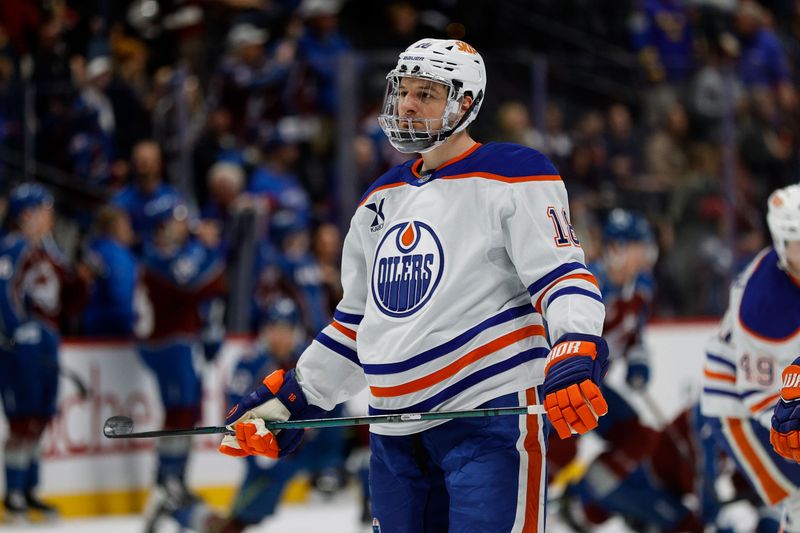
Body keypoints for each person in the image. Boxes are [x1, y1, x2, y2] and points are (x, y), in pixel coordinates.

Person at [218, 38, 608, 533]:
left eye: (427, 93)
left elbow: (563, 276)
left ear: (465, 103)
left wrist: (575, 343)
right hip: (392, 435)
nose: (406, 103)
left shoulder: (515, 174)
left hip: (487, 422)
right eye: (403, 90)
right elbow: (357, 324)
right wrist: (298, 396)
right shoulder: (378, 199)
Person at [701, 184, 800, 532]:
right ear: (780, 243)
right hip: (740, 407)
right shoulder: (763, 305)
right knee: (799, 498)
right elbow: (763, 398)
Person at [135, 193, 227, 532]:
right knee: (178, 412)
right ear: (161, 225)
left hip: (182, 341)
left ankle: (176, 480)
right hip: (167, 343)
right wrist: (208, 249)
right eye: (176, 220)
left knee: (188, 412)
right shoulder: (158, 256)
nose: (183, 226)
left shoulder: (174, 255)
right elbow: (190, 282)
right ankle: (166, 480)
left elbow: (209, 286)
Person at [0, 183, 89, 522]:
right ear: (27, 214)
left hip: (48, 340)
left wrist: (81, 280)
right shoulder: (13, 247)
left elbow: (68, 299)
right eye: (45, 210)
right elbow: (2, 290)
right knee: (22, 420)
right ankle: (13, 495)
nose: (50, 216)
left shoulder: (49, 251)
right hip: (22, 344)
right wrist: (14, 331)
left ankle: (30, 489)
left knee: (40, 417)